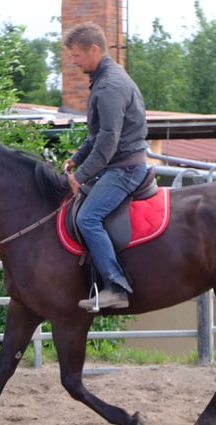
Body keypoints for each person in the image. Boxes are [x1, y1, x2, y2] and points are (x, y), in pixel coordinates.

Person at [61, 22, 150, 311]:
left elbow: (109, 141)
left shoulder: (110, 85)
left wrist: (82, 175)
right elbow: (96, 136)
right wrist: (77, 158)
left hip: (124, 169)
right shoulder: (104, 80)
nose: (73, 61)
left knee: (87, 218)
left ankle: (116, 286)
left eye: (76, 55)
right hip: (117, 164)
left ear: (94, 50)